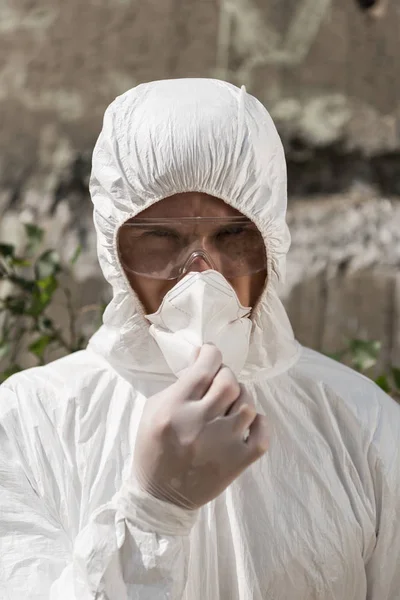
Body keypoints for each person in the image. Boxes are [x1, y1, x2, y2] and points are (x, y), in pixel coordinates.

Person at [0, 78, 399, 600]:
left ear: (272, 240)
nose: (200, 273)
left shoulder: (361, 424)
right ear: (114, 251)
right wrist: (152, 509)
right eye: (161, 237)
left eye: (233, 235)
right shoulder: (31, 423)